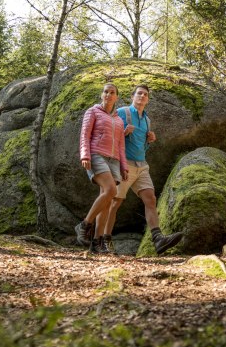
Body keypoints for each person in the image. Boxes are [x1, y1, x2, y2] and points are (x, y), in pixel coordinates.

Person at [97, 84, 183, 255]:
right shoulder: (122, 112)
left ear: (148, 99)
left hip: (141, 164)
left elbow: (141, 146)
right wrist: (123, 132)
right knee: (115, 202)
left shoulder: (146, 120)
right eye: (139, 93)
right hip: (124, 164)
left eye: (145, 94)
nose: (142, 96)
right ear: (132, 96)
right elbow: (107, 132)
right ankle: (104, 241)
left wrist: (149, 141)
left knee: (150, 198)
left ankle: (158, 239)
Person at [75, 83, 128, 253]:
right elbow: (85, 134)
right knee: (111, 190)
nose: (108, 94)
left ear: (116, 97)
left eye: (112, 92)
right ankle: (84, 224)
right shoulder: (93, 111)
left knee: (106, 200)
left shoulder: (119, 119)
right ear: (101, 94)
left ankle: (96, 242)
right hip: (97, 154)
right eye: (106, 91)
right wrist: (85, 155)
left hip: (113, 160)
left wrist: (124, 166)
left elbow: (121, 145)